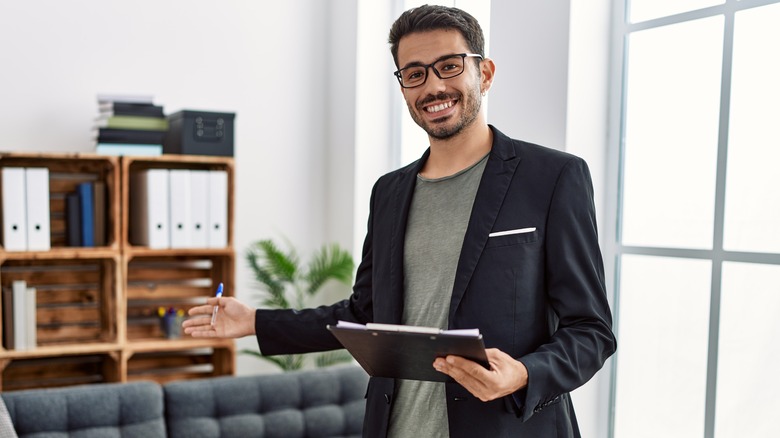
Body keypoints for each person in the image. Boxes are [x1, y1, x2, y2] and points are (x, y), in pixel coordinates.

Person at [183, 4, 616, 437]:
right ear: (404, 87)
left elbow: (591, 329)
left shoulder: (552, 177)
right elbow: (363, 314)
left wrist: (522, 373)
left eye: (449, 66)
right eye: (414, 74)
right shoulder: (389, 192)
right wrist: (255, 321)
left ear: (484, 74)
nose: (433, 86)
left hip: (507, 425)